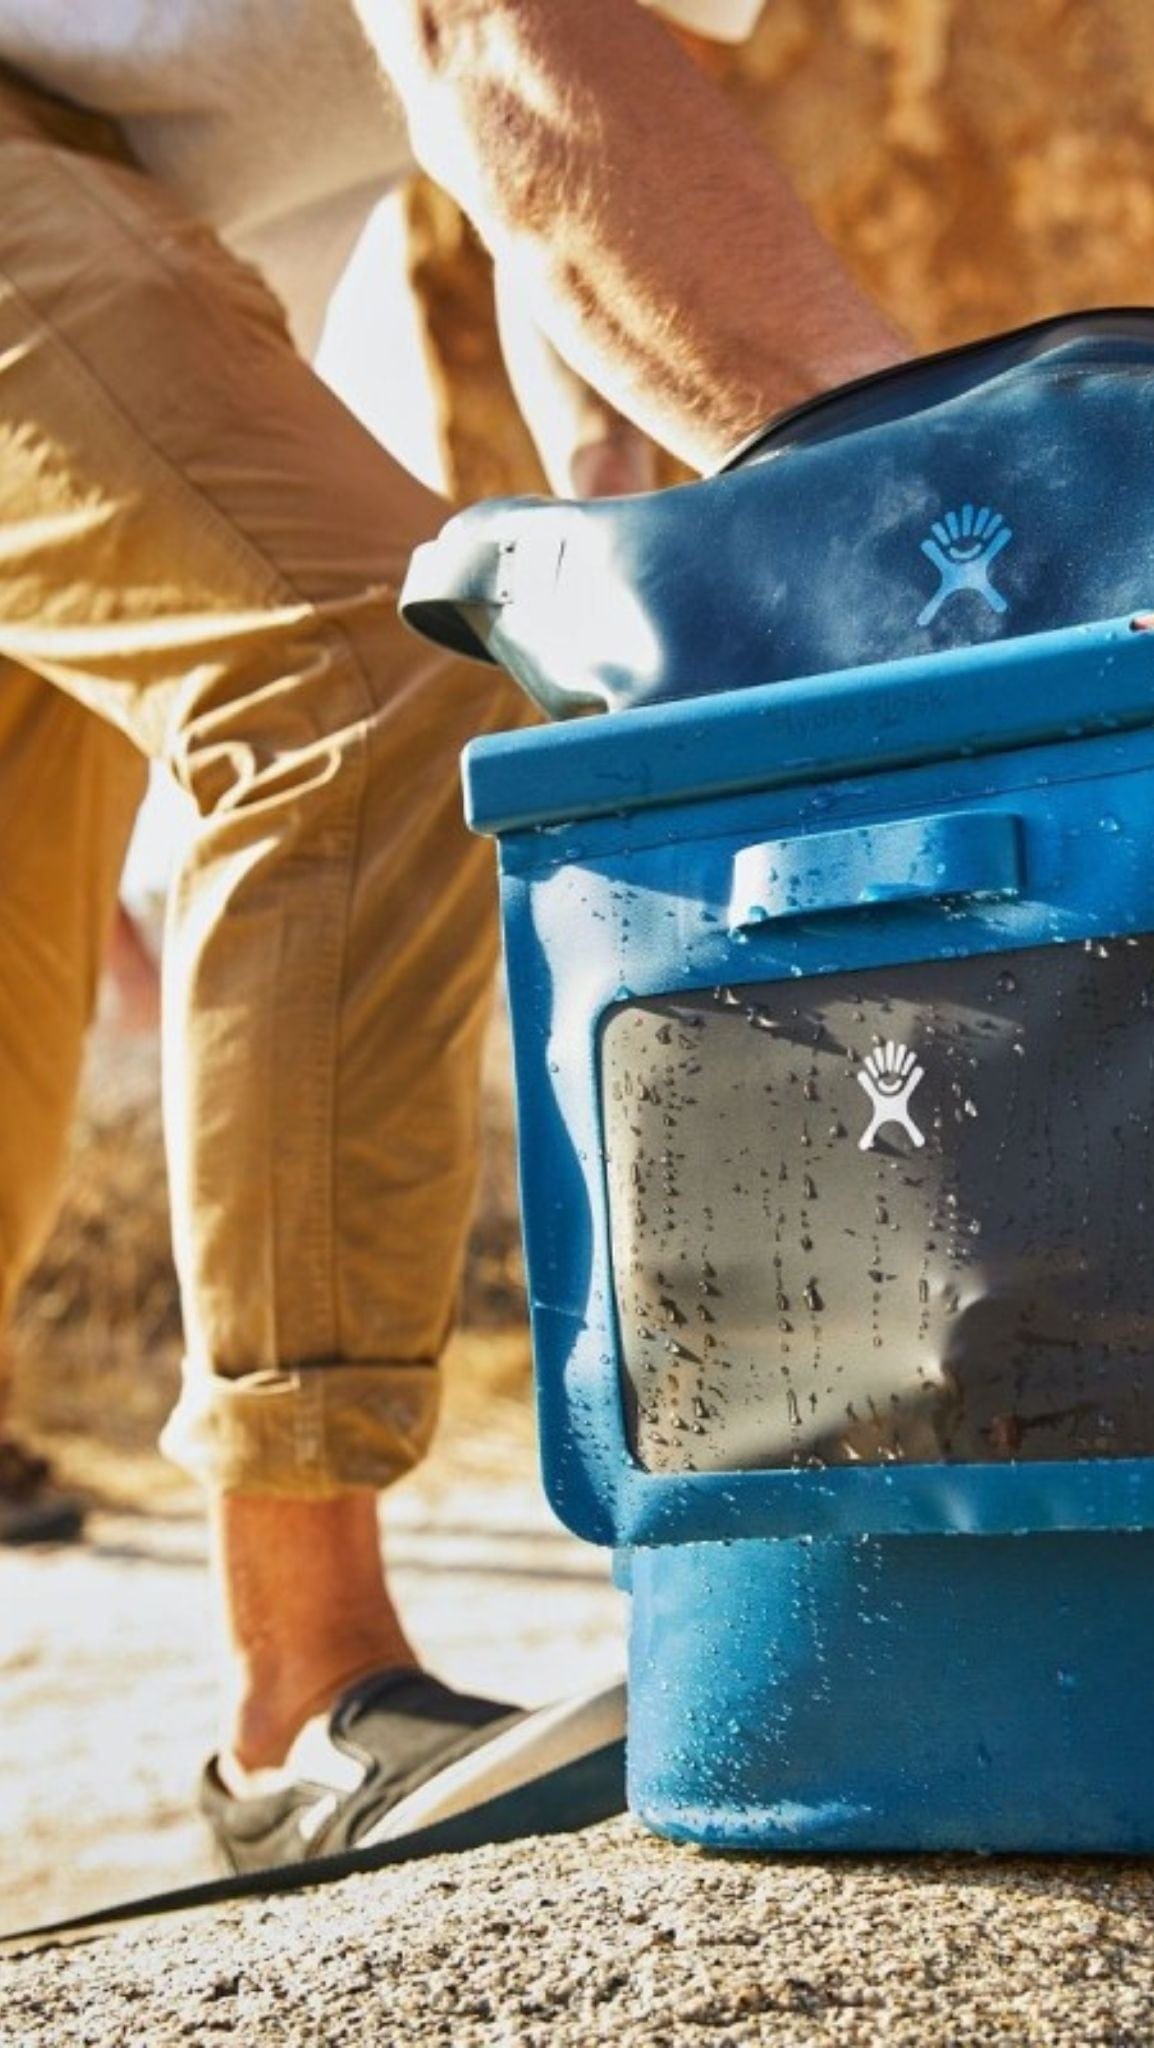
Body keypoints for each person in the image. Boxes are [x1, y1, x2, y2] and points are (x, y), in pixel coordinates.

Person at [0, 0, 906, 1870]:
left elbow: (565, 216)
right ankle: (304, 1688)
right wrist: (916, 500)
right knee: (357, 675)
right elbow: (510, 55)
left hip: (122, 225)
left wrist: (661, 660)